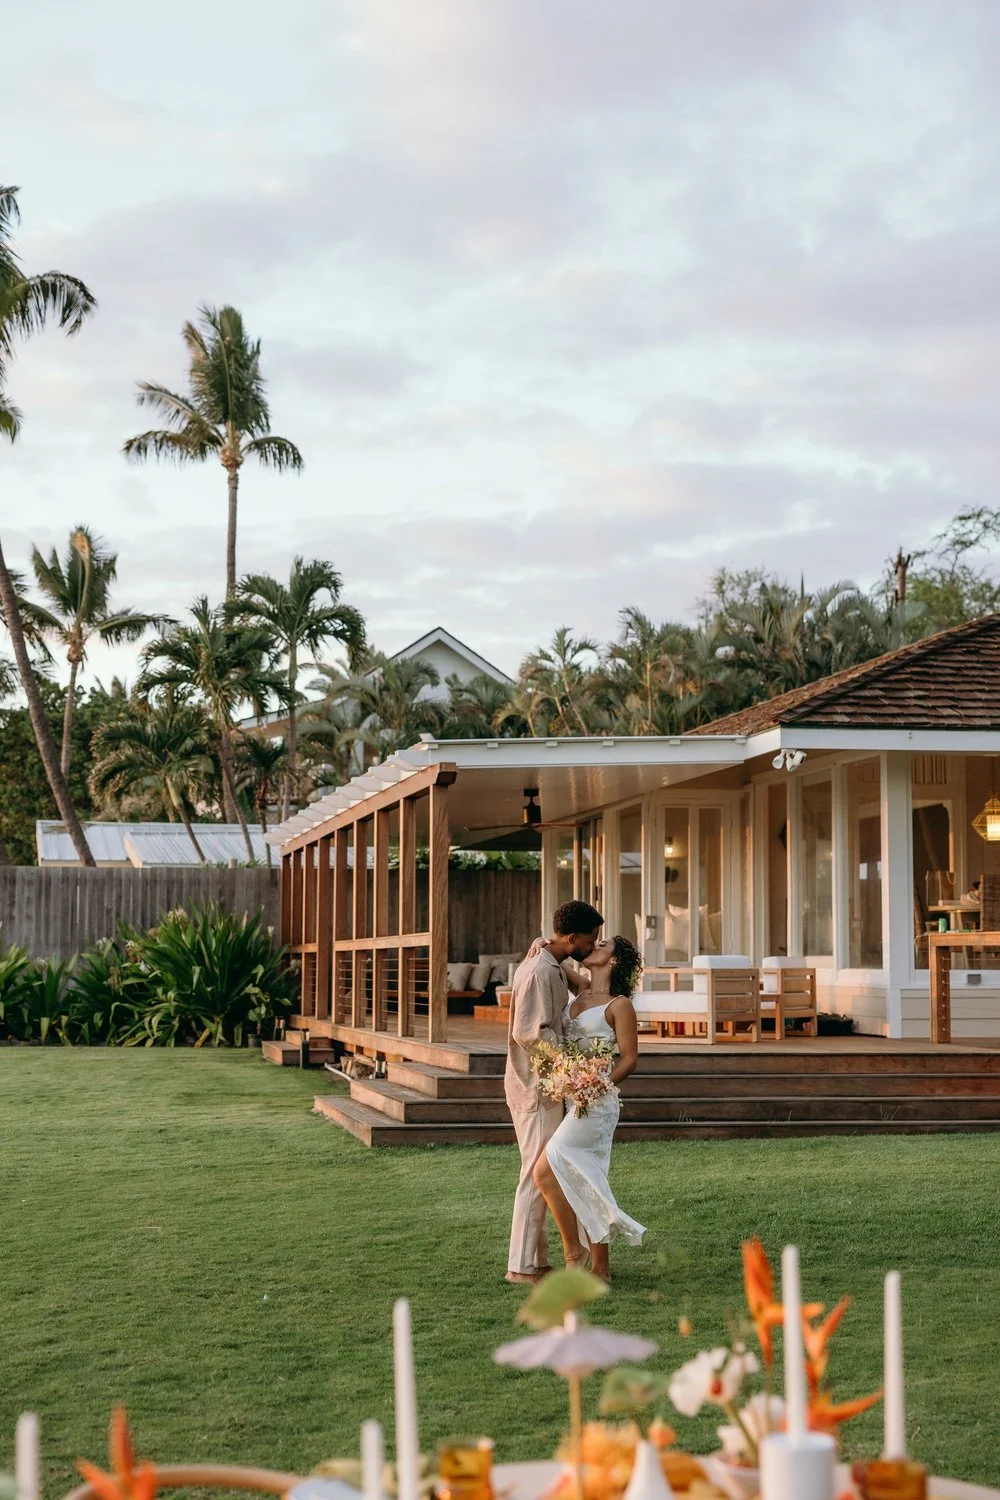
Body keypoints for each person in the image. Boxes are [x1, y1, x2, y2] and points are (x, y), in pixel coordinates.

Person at [533, 934, 646, 1281]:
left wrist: (596, 1084)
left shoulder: (619, 1005)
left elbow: (629, 1060)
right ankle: (599, 1269)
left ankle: (575, 1253)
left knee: (545, 1171)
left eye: (604, 944)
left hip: (598, 1103)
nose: (595, 945)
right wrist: (541, 944)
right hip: (574, 1097)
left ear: (613, 961)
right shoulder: (580, 992)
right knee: (583, 1178)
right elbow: (557, 958)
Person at [504, 899, 604, 1285]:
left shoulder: (550, 963)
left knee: (549, 1173)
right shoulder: (538, 973)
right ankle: (521, 1266)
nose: (593, 947)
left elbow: (560, 971)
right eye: (590, 940)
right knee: (536, 1174)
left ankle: (538, 1262)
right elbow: (529, 1033)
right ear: (572, 937)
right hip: (535, 1087)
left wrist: (569, 970)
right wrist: (574, 1067)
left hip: (546, 1085)